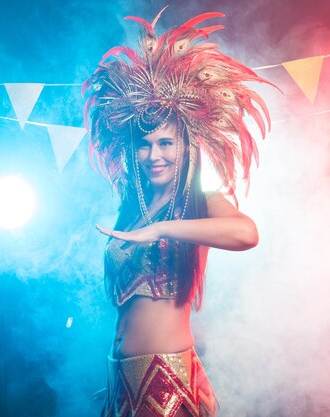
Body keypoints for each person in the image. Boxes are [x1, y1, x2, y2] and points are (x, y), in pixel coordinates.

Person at [83, 7, 274, 417]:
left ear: (187, 147)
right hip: (121, 378)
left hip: (165, 381)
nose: (154, 155)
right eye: (145, 144)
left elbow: (247, 233)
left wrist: (165, 228)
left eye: (166, 143)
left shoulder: (197, 199)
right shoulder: (130, 208)